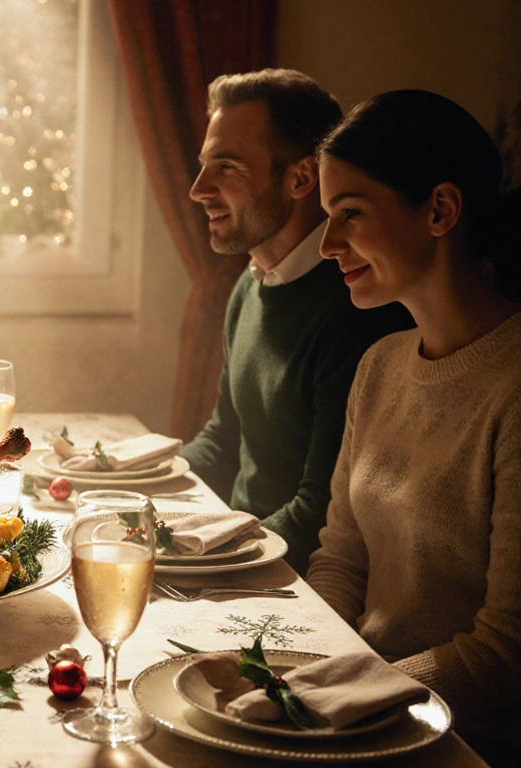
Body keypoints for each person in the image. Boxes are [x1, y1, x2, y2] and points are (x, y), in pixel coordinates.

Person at [307, 90, 521, 761]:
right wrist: (292, 663)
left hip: (463, 741)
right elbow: (341, 560)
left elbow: (505, 651)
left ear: (440, 210)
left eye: (349, 214)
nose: (325, 244)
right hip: (361, 710)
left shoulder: (513, 386)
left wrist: (346, 697)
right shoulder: (380, 365)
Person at [177, 69, 413, 575]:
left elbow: (319, 512)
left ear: (301, 177)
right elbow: (222, 440)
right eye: (203, 166)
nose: (199, 189)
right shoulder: (250, 284)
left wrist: (192, 563)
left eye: (226, 166)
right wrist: (129, 497)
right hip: (242, 547)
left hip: (287, 573)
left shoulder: (356, 308)